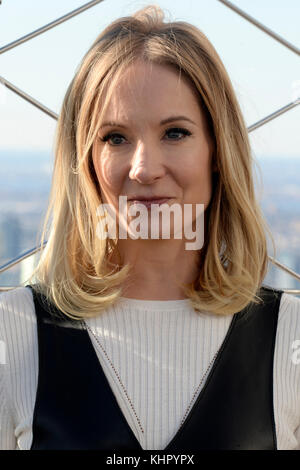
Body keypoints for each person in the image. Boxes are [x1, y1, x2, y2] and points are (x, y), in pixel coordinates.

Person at [1, 5, 300, 451]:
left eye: (175, 133)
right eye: (115, 138)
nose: (144, 168)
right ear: (85, 162)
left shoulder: (291, 339)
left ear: (218, 153)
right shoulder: (11, 335)